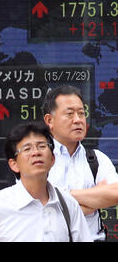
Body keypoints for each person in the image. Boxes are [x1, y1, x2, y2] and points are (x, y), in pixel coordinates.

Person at [0, 121, 92, 242]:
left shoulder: (68, 205)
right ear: (13, 164)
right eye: (26, 149)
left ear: (53, 159)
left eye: (42, 146)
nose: (36, 152)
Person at [42, 85, 118, 241]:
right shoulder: (36, 159)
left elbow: (114, 194)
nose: (78, 120)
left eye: (81, 113)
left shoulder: (97, 159)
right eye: (69, 114)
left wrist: (59, 196)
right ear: (50, 120)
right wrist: (94, 200)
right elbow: (37, 207)